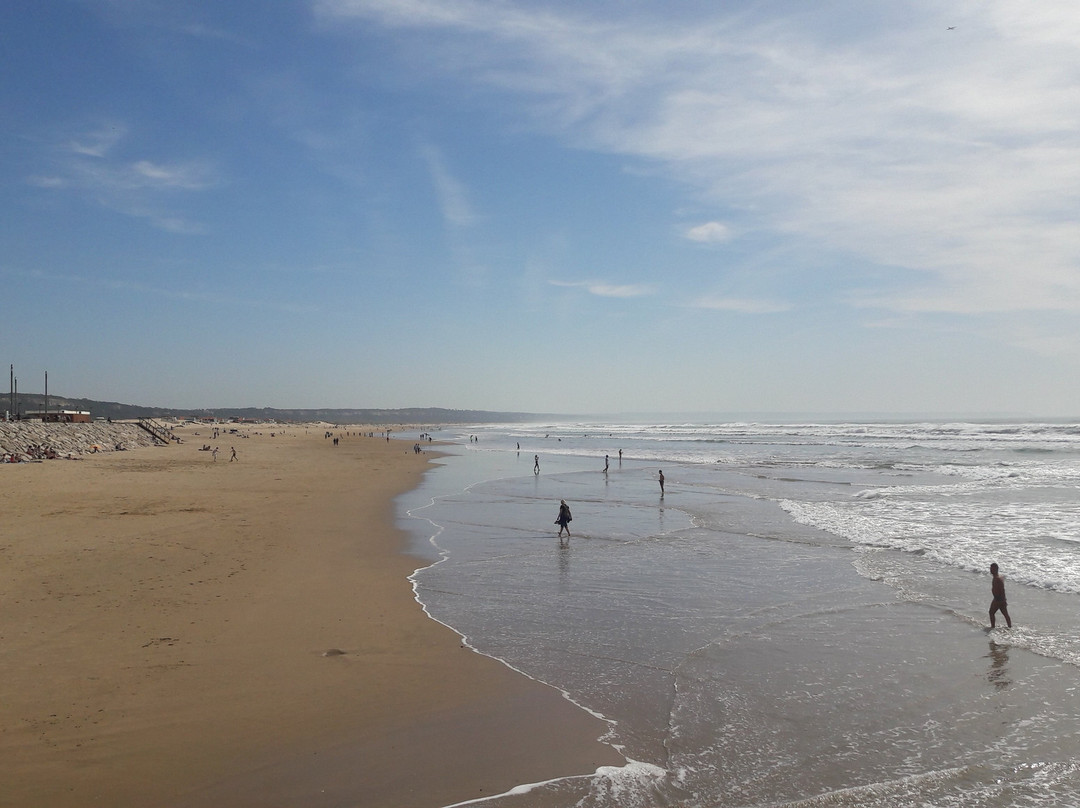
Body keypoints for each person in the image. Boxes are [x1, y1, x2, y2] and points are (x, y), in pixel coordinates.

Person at [989, 563, 1012, 628]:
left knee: (991, 612)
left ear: (996, 569)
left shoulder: (997, 579)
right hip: (999, 599)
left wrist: (1002, 600)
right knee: (1005, 614)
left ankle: (992, 627)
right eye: (990, 568)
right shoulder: (997, 577)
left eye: (992, 569)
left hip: (998, 599)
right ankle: (1010, 627)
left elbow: (1002, 590)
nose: (990, 570)